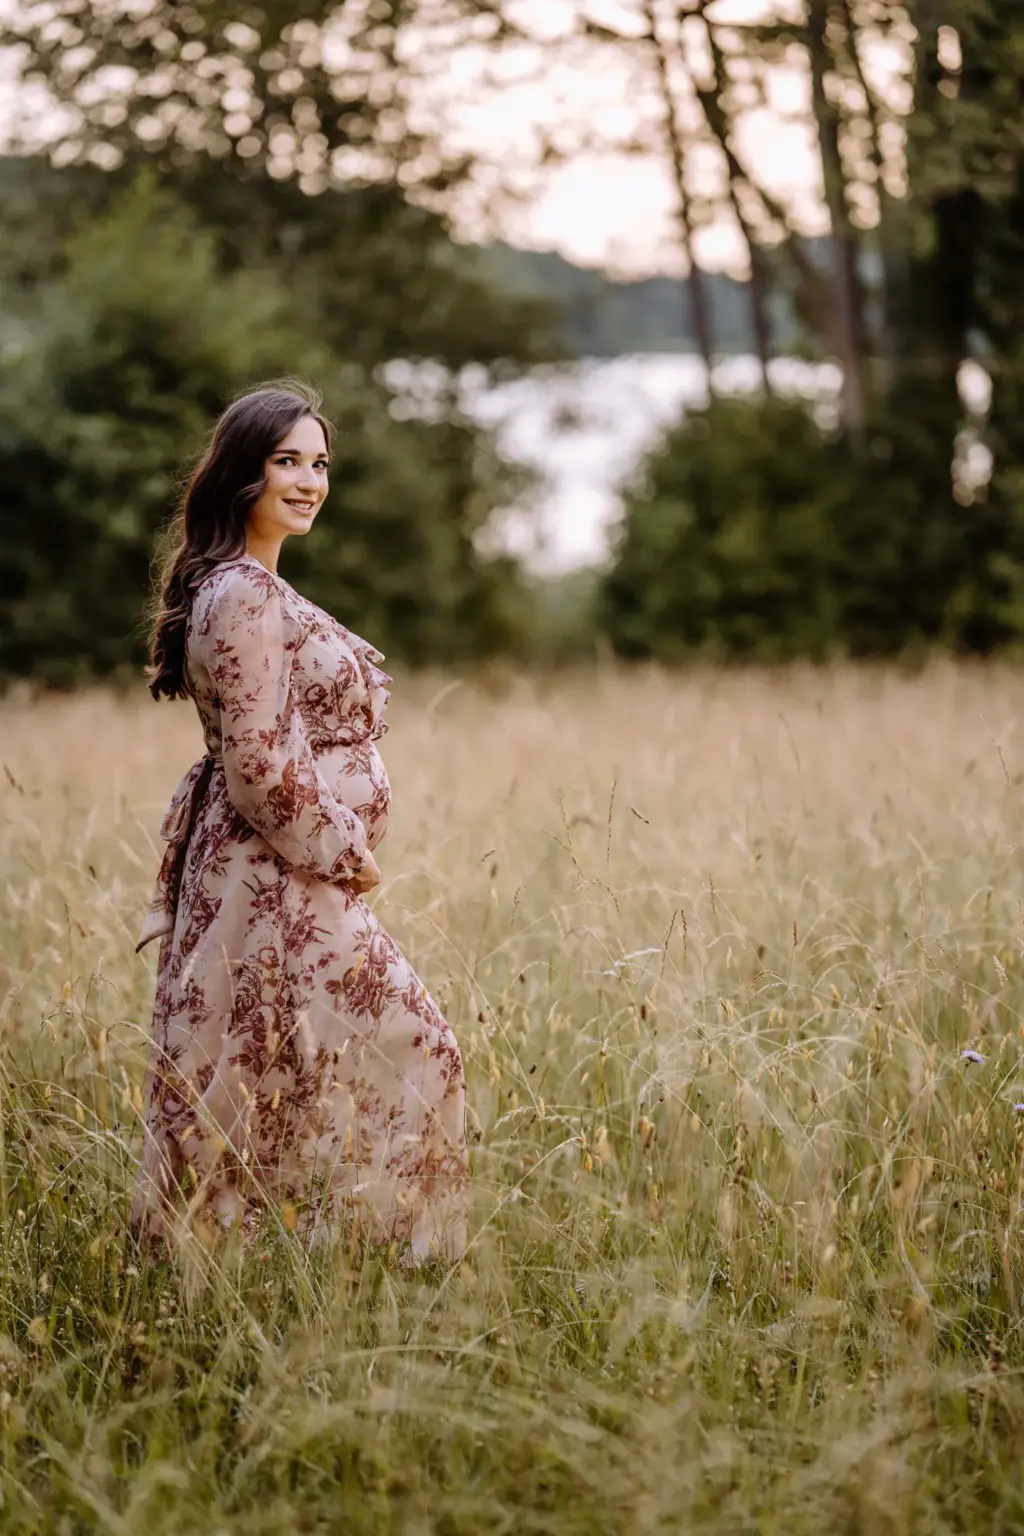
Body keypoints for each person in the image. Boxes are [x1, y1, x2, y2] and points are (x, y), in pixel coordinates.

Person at [133, 380, 467, 1263]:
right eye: (288, 461)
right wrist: (344, 850)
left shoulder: (252, 587)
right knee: (414, 1049)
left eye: (320, 464)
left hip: (280, 874)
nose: (310, 480)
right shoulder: (241, 595)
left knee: (279, 1071)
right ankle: (391, 1260)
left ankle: (309, 1269)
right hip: (275, 875)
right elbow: (258, 765)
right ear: (243, 473)